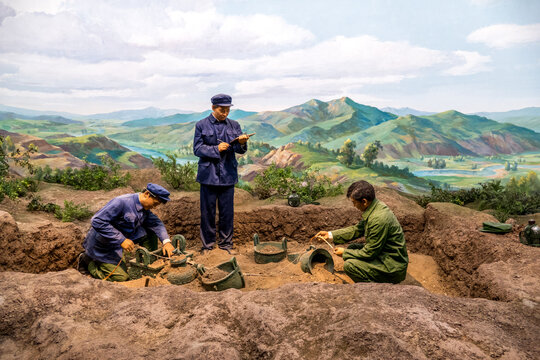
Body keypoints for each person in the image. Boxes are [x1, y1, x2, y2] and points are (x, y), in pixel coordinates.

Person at [313, 180, 408, 283]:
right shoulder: (375, 207)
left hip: (392, 266)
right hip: (383, 254)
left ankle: (377, 287)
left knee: (349, 266)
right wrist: (329, 235)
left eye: (354, 202)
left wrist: (345, 252)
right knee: (352, 248)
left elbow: (370, 253)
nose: (354, 206)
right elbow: (358, 229)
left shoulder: (378, 219)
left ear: (364, 201)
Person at [78, 183, 175, 282]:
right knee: (122, 278)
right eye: (154, 204)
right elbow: (97, 221)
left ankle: (147, 263)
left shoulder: (143, 206)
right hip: (103, 245)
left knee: (151, 232)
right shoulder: (122, 202)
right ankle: (88, 261)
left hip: (123, 237)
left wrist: (166, 241)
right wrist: (121, 240)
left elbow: (156, 223)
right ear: (147, 194)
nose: (154, 207)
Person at [193, 94, 250, 254]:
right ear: (213, 108)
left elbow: (239, 150)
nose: (225, 113)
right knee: (207, 213)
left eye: (227, 110)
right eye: (221, 110)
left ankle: (226, 245)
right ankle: (208, 246)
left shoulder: (234, 125)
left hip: (228, 175)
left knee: (227, 213)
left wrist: (242, 143)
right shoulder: (201, 125)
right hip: (208, 176)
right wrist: (215, 149)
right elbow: (197, 149)